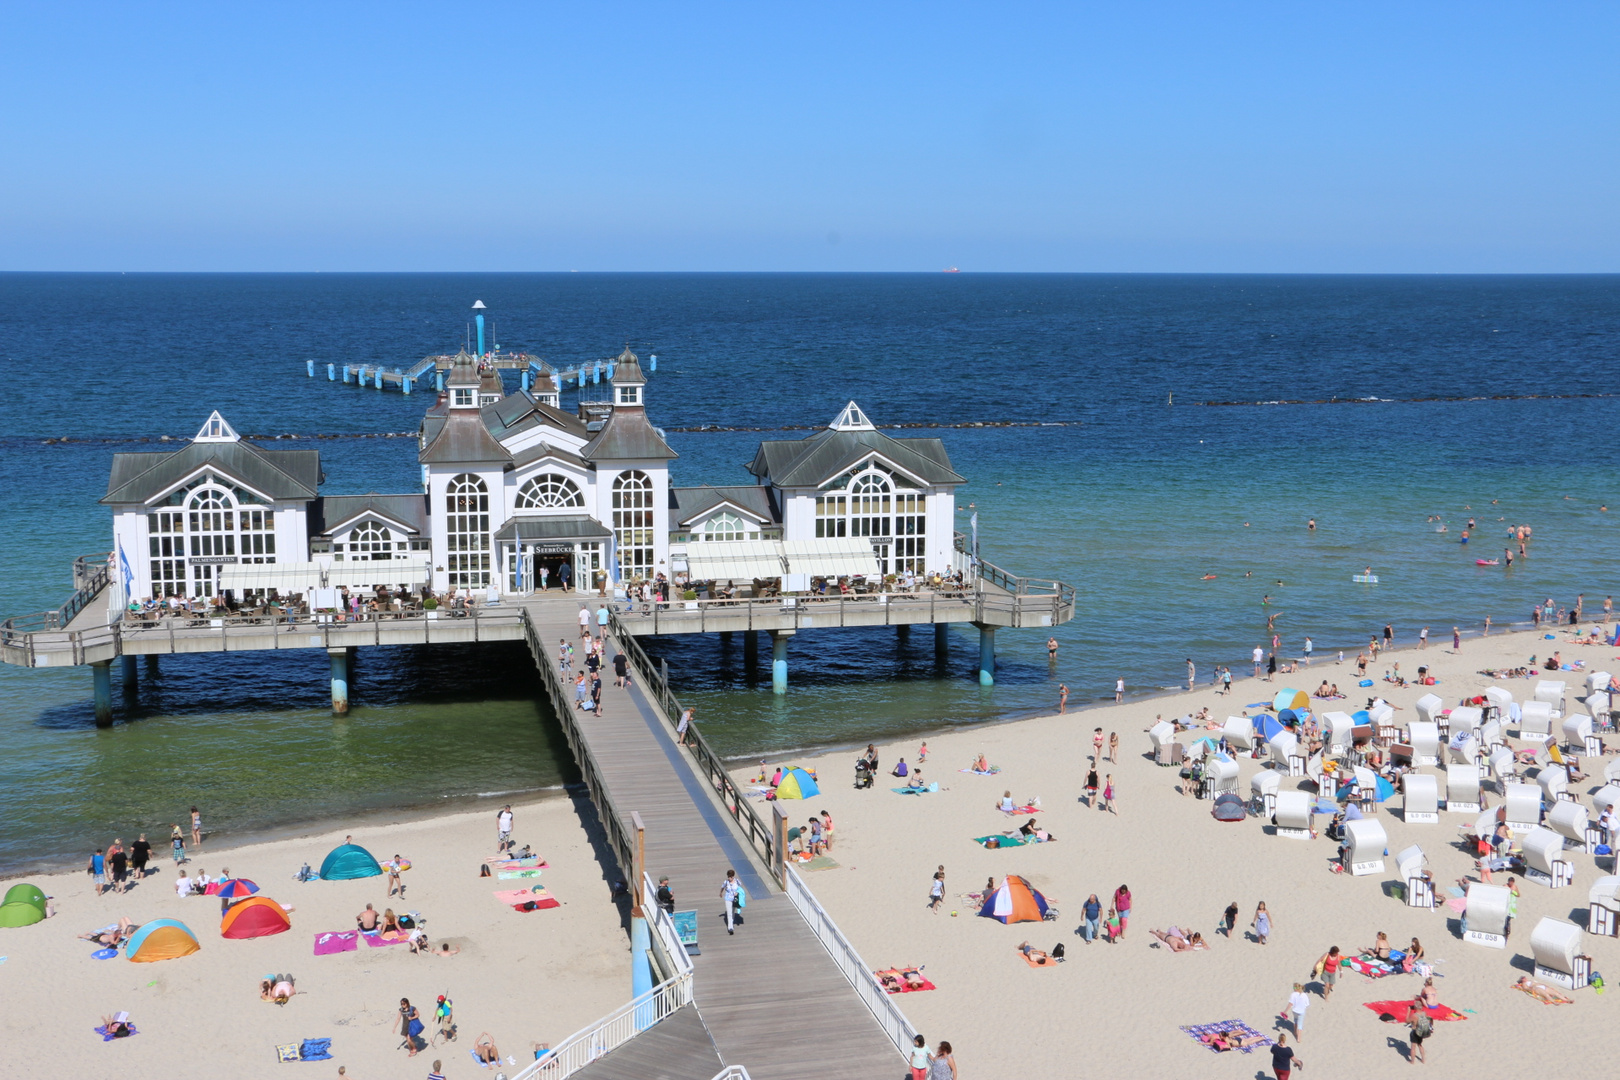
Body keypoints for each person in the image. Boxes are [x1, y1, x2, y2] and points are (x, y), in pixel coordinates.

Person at [1408, 995, 1432, 1064]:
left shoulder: (1414, 1015)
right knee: (1420, 1045)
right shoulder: (1424, 1013)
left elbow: (1407, 1020)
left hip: (1416, 1031)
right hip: (1422, 1031)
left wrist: (1408, 1011)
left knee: (1413, 1046)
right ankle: (1423, 1060)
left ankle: (1412, 1061)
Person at [720, 869, 741, 935]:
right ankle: (730, 928)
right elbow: (722, 887)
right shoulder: (726, 882)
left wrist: (737, 893)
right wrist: (720, 893)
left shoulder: (737, 881)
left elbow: (740, 889)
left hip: (734, 899)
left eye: (730, 877)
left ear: (733, 876)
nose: (729, 878)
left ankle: (731, 923)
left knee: (733, 912)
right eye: (728, 877)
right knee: (729, 913)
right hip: (728, 899)